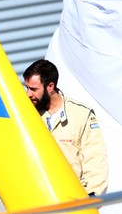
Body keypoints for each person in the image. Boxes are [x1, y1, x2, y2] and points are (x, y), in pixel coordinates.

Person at [23, 59, 108, 196]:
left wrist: (91, 196)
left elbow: (95, 159)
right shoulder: (25, 115)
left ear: (50, 86)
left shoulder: (81, 114)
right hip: (38, 199)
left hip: (74, 200)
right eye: (27, 88)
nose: (28, 94)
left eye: (33, 89)